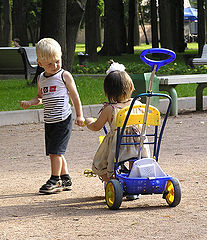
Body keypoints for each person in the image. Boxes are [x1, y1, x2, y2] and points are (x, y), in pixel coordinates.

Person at [20, 38, 85, 194]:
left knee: (55, 151)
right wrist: (30, 102)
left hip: (63, 119)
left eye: (57, 61)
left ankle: (54, 180)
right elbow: (40, 98)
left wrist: (80, 115)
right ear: (40, 63)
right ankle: (66, 178)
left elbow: (75, 97)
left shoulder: (64, 76)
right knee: (55, 151)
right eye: (50, 64)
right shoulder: (41, 78)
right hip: (50, 120)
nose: (55, 66)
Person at [84, 61, 150, 183]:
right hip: (139, 143)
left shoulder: (110, 109)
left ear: (107, 92)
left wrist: (88, 123)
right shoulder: (138, 105)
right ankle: (133, 178)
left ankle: (110, 180)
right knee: (134, 157)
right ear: (131, 87)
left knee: (100, 162)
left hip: (118, 146)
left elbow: (97, 126)